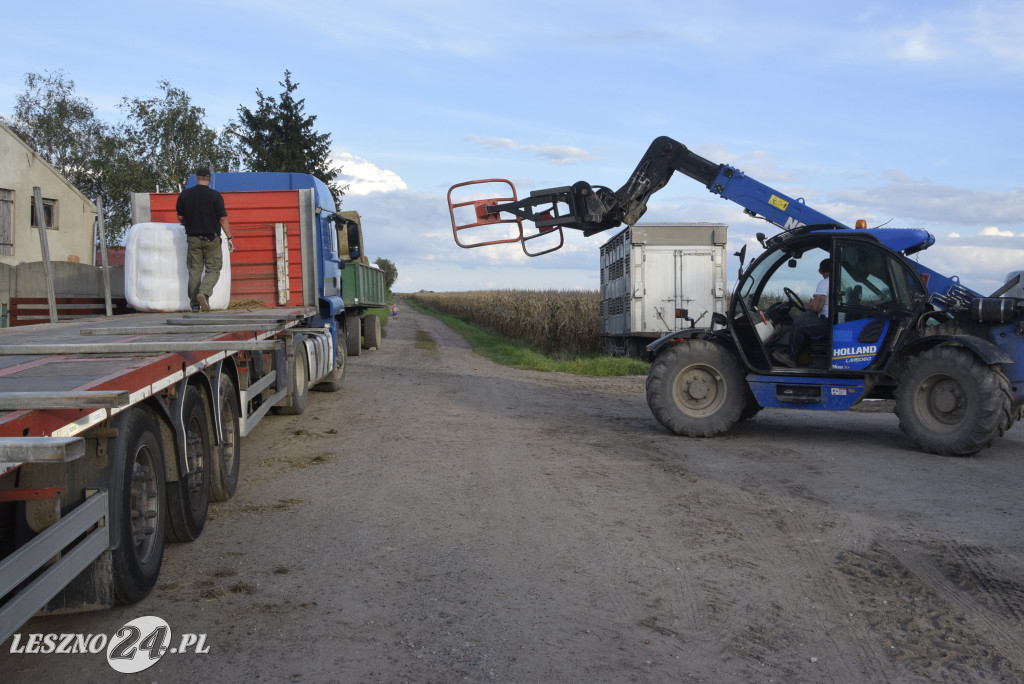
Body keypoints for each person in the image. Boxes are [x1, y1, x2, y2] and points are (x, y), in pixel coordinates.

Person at [176, 167, 233, 312]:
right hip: (211, 238)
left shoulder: (185, 195)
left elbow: (180, 217)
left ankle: (195, 304)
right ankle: (204, 293)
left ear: (196, 178)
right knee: (213, 269)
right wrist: (230, 237)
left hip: (193, 238)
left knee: (194, 271)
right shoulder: (215, 196)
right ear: (209, 179)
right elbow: (222, 218)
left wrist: (188, 223)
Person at [773, 258, 831, 367]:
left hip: (827, 323)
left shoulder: (825, 283)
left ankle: (791, 357)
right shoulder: (836, 281)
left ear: (820, 271)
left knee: (798, 324)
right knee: (806, 321)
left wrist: (806, 305)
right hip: (833, 320)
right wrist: (811, 304)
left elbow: (816, 307)